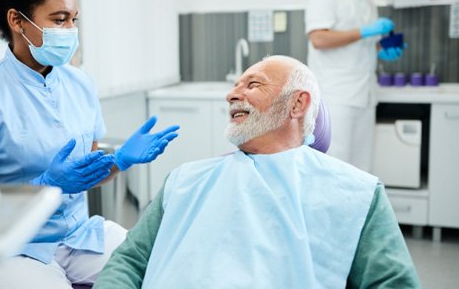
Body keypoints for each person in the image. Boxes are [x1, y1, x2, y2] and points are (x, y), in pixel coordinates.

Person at [0, 0, 179, 288]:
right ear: (17, 21)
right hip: (8, 249)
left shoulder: (80, 84)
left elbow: (86, 172)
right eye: (59, 19)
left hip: (76, 236)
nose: (70, 30)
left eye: (73, 20)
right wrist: (44, 187)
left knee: (161, 266)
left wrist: (119, 160)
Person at [93, 56, 420, 288]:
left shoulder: (357, 193)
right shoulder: (185, 180)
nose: (232, 94)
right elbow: (130, 261)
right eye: (235, 86)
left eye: (253, 85)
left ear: (297, 105)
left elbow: (393, 282)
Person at [305, 0, 402, 172]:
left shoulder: (369, 5)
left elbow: (360, 47)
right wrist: (364, 31)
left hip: (365, 97)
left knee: (361, 170)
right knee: (335, 167)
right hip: (337, 97)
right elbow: (318, 39)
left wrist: (382, 49)